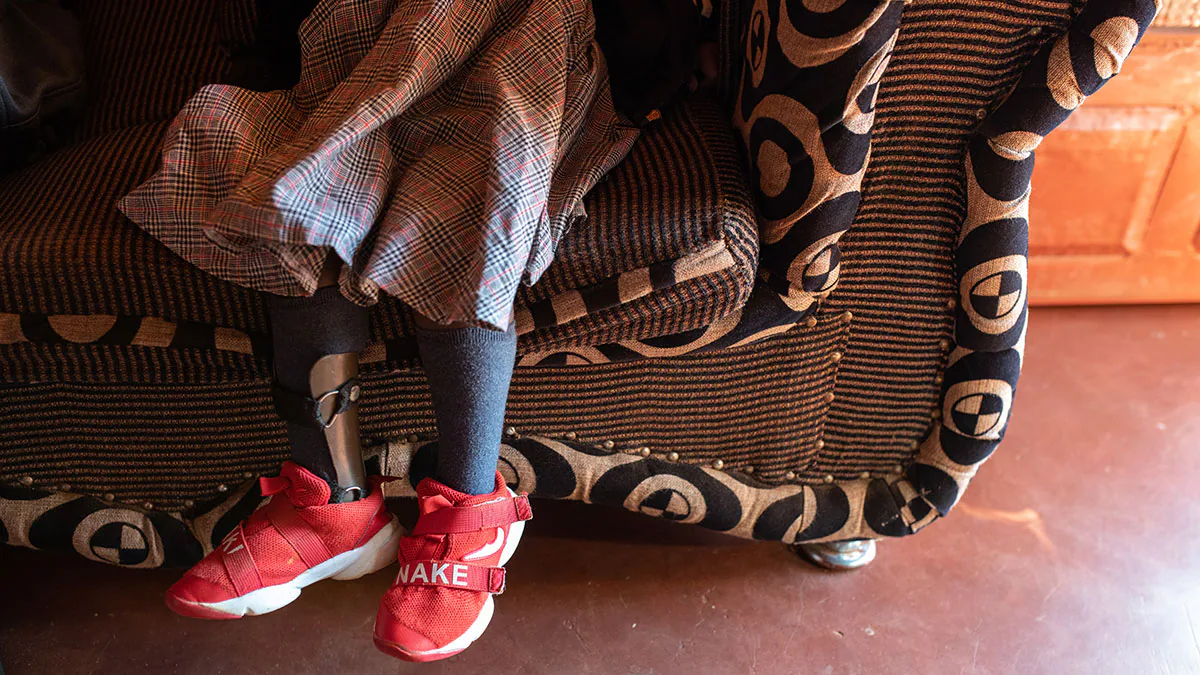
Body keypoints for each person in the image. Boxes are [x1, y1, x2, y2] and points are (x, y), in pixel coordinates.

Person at [118, 0, 704, 662]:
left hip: (528, 37)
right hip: (365, 43)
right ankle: (329, 505)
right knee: (304, 188)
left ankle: (470, 509)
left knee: (473, 188)